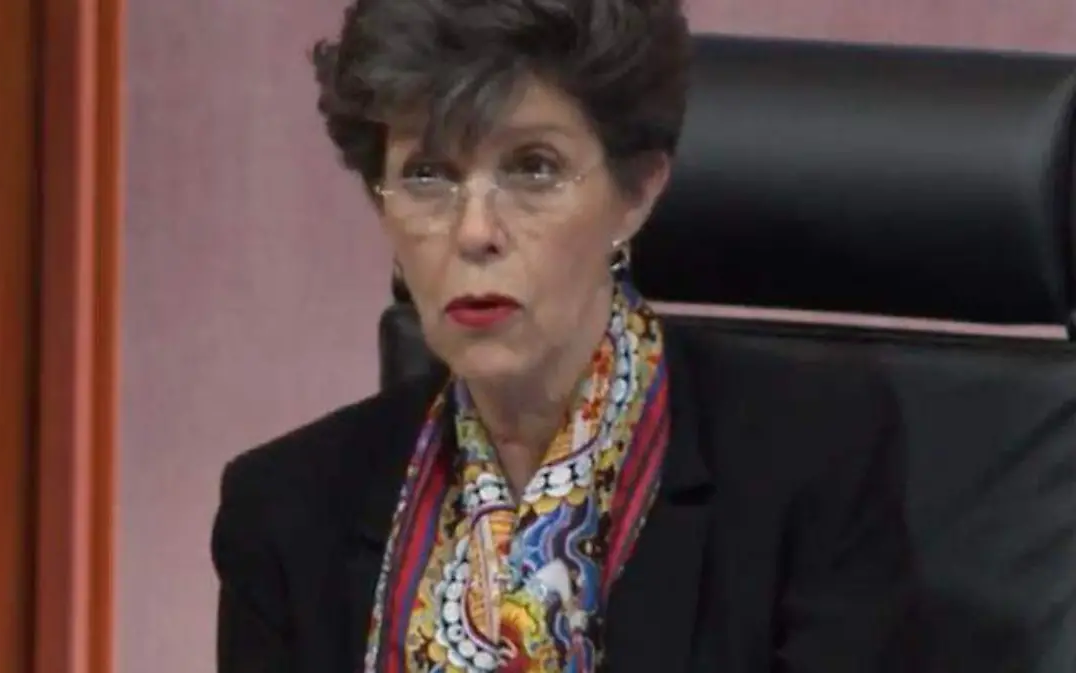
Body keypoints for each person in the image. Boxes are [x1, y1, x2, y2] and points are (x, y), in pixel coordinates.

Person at [211, 0, 920, 671]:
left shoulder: (814, 458)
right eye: (428, 175)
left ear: (637, 191)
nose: (475, 231)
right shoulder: (284, 513)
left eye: (533, 167)